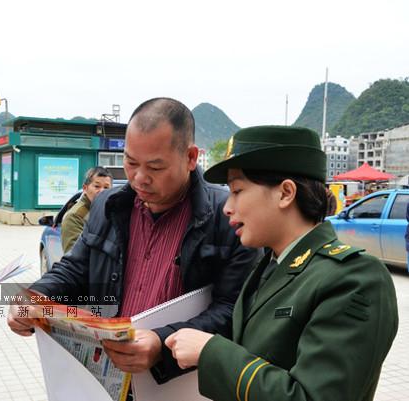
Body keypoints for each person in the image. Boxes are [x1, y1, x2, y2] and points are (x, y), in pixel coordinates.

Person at [8, 97, 259, 384]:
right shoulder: (108, 204)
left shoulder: (227, 217)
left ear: (191, 157)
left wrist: (161, 343)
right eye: (130, 162)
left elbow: (233, 310)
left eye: (155, 167)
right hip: (109, 375)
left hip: (180, 383)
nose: (139, 178)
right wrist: (36, 296)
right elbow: (75, 268)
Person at [165, 126, 398, 401]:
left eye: (238, 190)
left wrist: (211, 352)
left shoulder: (355, 279)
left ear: (286, 193)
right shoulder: (268, 267)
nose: (227, 206)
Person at [61, 166, 113, 253]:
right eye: (97, 186)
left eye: (106, 188)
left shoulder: (113, 212)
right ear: (85, 188)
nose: (102, 191)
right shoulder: (75, 216)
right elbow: (74, 256)